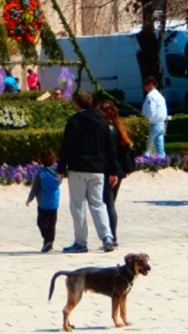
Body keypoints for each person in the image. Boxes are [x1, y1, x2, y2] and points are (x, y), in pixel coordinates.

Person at [56, 90, 117, 253]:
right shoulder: (102, 121)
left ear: (77, 104)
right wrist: (113, 170)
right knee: (98, 203)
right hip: (97, 169)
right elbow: (110, 148)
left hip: (77, 167)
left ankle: (81, 242)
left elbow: (66, 147)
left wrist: (60, 169)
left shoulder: (74, 121)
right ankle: (107, 237)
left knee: (78, 205)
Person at [96, 100, 133, 247]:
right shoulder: (119, 128)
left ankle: (112, 237)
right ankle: (113, 236)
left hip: (109, 170)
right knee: (110, 203)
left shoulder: (107, 130)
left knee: (108, 204)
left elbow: (108, 153)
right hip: (119, 169)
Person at [26, 148, 60, 252]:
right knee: (52, 224)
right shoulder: (57, 174)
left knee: (41, 223)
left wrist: (29, 199)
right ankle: (50, 241)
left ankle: (47, 240)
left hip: (43, 204)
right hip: (54, 203)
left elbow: (35, 188)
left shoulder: (41, 174)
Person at [141, 76, 168, 158]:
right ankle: (162, 162)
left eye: (146, 85)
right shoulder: (160, 96)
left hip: (153, 123)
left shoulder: (150, 96)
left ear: (151, 84)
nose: (144, 87)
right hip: (161, 124)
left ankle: (145, 162)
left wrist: (146, 120)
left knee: (147, 145)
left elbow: (151, 110)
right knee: (160, 147)